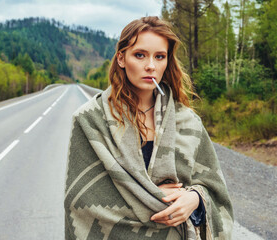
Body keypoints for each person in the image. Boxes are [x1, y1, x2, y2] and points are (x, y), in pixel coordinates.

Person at [64, 16, 233, 240]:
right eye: (140, 55)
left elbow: (215, 190)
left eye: (159, 56)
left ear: (167, 62)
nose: (151, 66)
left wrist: (194, 198)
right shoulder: (90, 121)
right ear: (122, 59)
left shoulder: (188, 121)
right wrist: (153, 198)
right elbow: (81, 202)